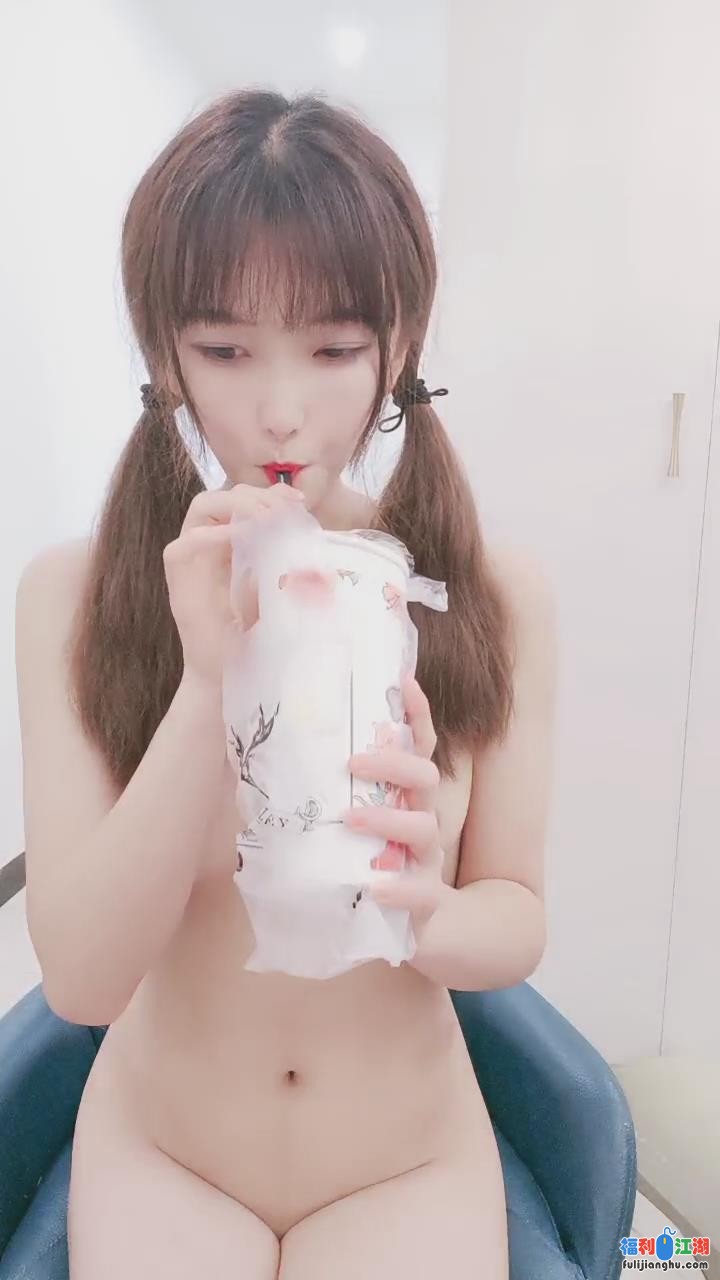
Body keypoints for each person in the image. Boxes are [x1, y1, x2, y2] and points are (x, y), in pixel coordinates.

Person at [14, 88, 557, 1279]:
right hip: (168, 1152)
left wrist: (427, 907)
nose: (279, 412)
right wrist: (208, 679)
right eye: (224, 349)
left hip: (402, 1158)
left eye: (332, 349)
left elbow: (517, 909)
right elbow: (86, 981)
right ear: (165, 355)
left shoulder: (491, 593)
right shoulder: (73, 595)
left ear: (397, 348)